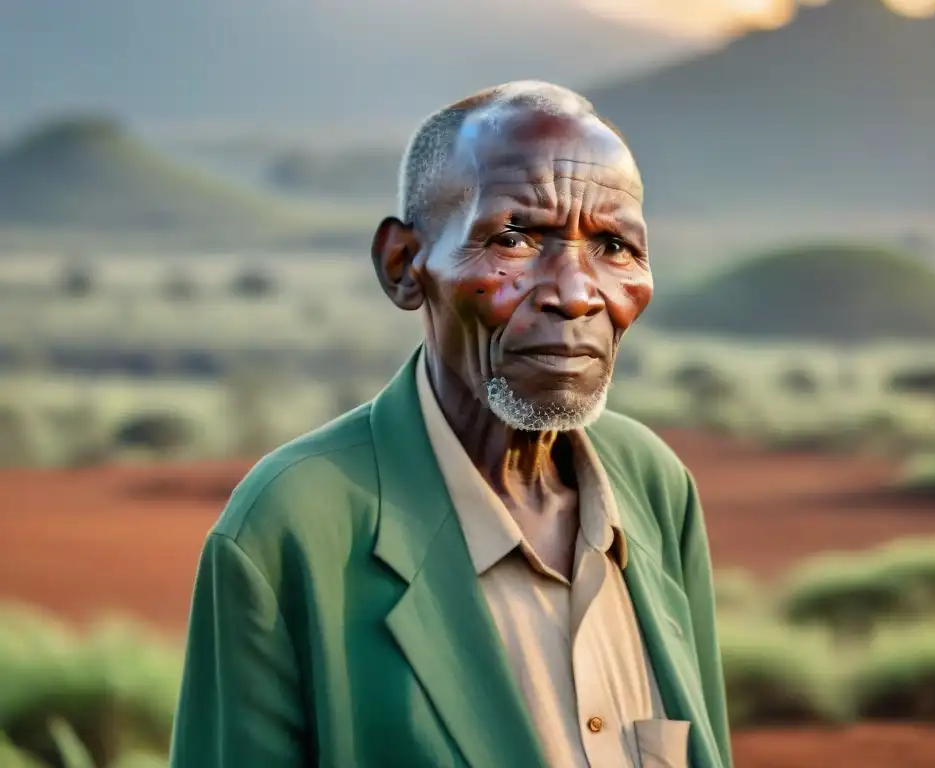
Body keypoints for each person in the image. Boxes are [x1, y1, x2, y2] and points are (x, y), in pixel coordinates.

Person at [170, 80, 732, 768]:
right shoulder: (293, 526)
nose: (577, 292)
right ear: (405, 267)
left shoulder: (652, 486)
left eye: (614, 246)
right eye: (515, 239)